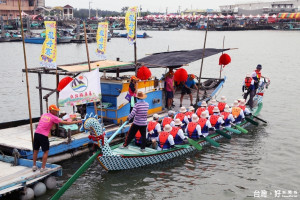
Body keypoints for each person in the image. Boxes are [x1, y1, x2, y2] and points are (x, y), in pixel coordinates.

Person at [32, 105, 82, 172]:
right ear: (51, 111)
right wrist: (77, 122)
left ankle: (34, 166)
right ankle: (43, 168)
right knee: (46, 151)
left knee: (35, 150)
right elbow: (66, 123)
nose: (56, 112)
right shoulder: (53, 117)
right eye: (55, 111)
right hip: (43, 135)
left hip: (36, 133)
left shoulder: (44, 115)